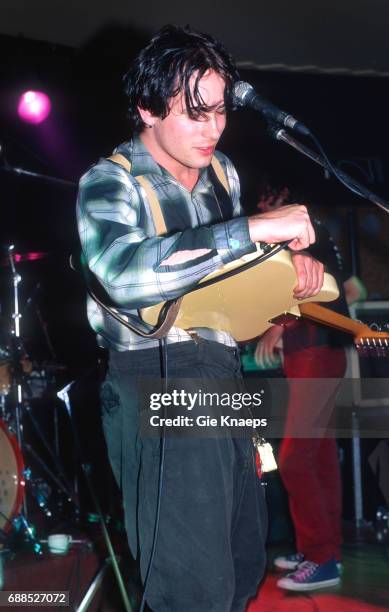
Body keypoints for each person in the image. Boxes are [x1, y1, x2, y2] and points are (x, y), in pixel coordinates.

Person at [76, 25, 324, 612]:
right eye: (195, 113)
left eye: (219, 112)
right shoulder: (110, 180)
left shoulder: (224, 176)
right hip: (156, 374)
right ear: (146, 108)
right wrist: (252, 230)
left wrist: (284, 266)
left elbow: (225, 270)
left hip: (222, 372)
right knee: (192, 587)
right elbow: (119, 272)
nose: (214, 128)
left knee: (242, 568)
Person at [254, 184, 365, 591]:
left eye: (266, 199)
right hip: (314, 355)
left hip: (316, 354)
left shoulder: (301, 232)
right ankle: (319, 548)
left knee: (297, 457)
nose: (260, 206)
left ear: (281, 196)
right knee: (316, 457)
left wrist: (277, 326)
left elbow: (313, 293)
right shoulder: (312, 231)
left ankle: (322, 558)